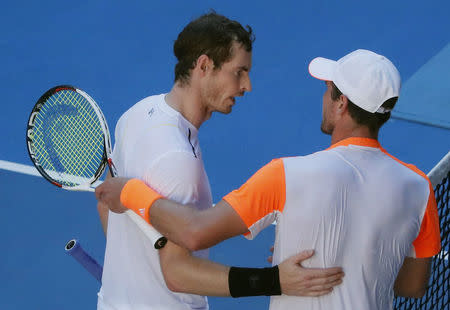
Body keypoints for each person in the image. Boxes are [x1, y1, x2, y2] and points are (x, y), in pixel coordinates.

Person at [96, 49, 442, 309]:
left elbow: (194, 232)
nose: (323, 97)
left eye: (328, 90)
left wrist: (131, 192)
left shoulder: (286, 175)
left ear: (341, 104)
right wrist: (356, 260)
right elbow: (413, 285)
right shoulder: (420, 189)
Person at [96, 12, 344, 310]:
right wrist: (275, 280)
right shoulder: (178, 160)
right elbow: (177, 274)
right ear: (204, 66)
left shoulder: (135, 115)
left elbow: (106, 203)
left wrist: (131, 270)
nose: (247, 85)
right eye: (238, 72)